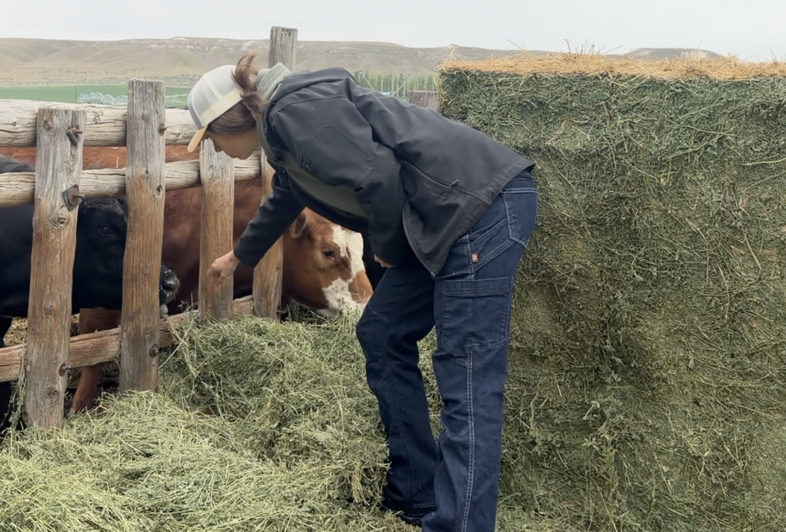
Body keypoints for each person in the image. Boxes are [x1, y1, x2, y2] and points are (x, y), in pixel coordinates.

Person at [191, 54, 538, 532]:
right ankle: (414, 493)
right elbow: (290, 192)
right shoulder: (285, 132)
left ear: (230, 121)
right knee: (382, 331)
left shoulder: (294, 113)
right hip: (438, 216)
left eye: (210, 137)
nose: (215, 148)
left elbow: (378, 178)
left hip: (477, 209)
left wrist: (387, 253)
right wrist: (239, 257)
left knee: (467, 376)